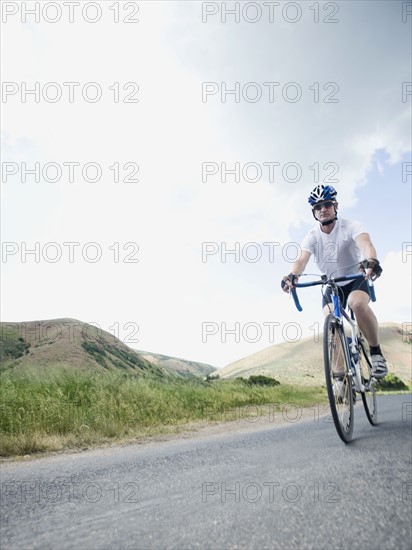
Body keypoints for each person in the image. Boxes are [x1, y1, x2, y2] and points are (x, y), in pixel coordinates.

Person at [281, 184, 388, 379]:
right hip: (332, 285)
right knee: (330, 321)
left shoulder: (351, 226)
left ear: (335, 206)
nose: (323, 209)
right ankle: (339, 378)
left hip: (355, 279)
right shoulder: (312, 236)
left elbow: (366, 245)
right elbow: (300, 261)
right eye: (318, 206)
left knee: (356, 303)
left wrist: (371, 260)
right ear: (314, 211)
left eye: (327, 204)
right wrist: (292, 275)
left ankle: (376, 353)